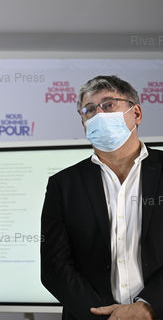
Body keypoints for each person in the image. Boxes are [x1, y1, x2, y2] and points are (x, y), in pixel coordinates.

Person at [41, 75, 162, 320]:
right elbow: (55, 266)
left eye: (108, 105)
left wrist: (148, 306)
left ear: (136, 113)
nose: (99, 114)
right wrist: (104, 317)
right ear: (84, 124)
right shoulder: (63, 184)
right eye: (89, 110)